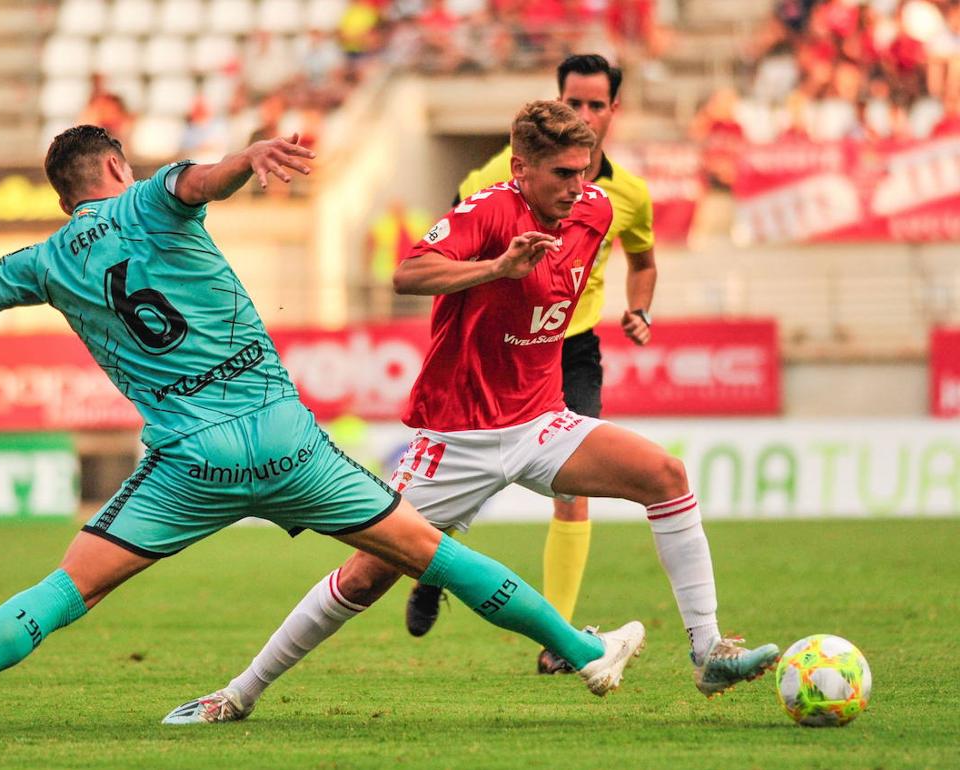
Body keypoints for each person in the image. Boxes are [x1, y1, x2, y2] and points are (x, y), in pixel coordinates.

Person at [0, 125, 645, 739]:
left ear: (64, 198)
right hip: (285, 441)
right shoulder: (150, 198)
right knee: (431, 553)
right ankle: (581, 651)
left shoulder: (41, 262)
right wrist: (251, 156)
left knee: (70, 590)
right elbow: (203, 181)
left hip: (190, 460)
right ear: (115, 167)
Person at [162, 100, 777, 726]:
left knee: (665, 475)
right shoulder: (488, 211)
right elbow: (408, 274)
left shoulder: (596, 211)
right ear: (521, 168)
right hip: (455, 439)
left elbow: (585, 284)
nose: (578, 185)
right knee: (365, 578)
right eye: (563, 173)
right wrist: (498, 268)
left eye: (583, 169)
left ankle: (708, 651)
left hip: (541, 424)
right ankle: (238, 694)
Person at [417, 53, 658, 675]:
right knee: (465, 478)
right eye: (573, 102)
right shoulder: (505, 171)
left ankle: (559, 640)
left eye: (596, 104)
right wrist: (494, 272)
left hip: (570, 348)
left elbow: (643, 260)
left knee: (572, 491)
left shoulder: (626, 196)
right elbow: (451, 240)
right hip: (497, 345)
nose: (585, 113)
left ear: (614, 110)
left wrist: (639, 309)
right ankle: (430, 558)